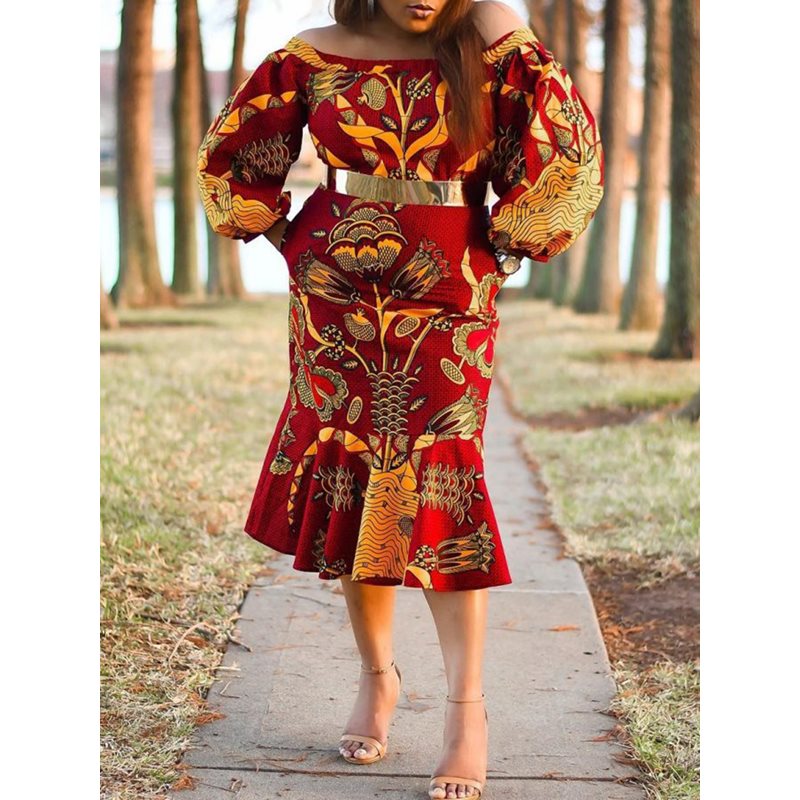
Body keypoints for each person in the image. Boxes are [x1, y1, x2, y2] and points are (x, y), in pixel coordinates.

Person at [196, 0, 604, 797]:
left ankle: (466, 710)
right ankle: (377, 676)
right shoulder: (311, 55)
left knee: (442, 479)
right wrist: (291, 239)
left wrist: (507, 249)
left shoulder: (488, 47)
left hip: (451, 291)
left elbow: (570, 154)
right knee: (358, 477)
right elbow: (232, 160)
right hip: (335, 299)